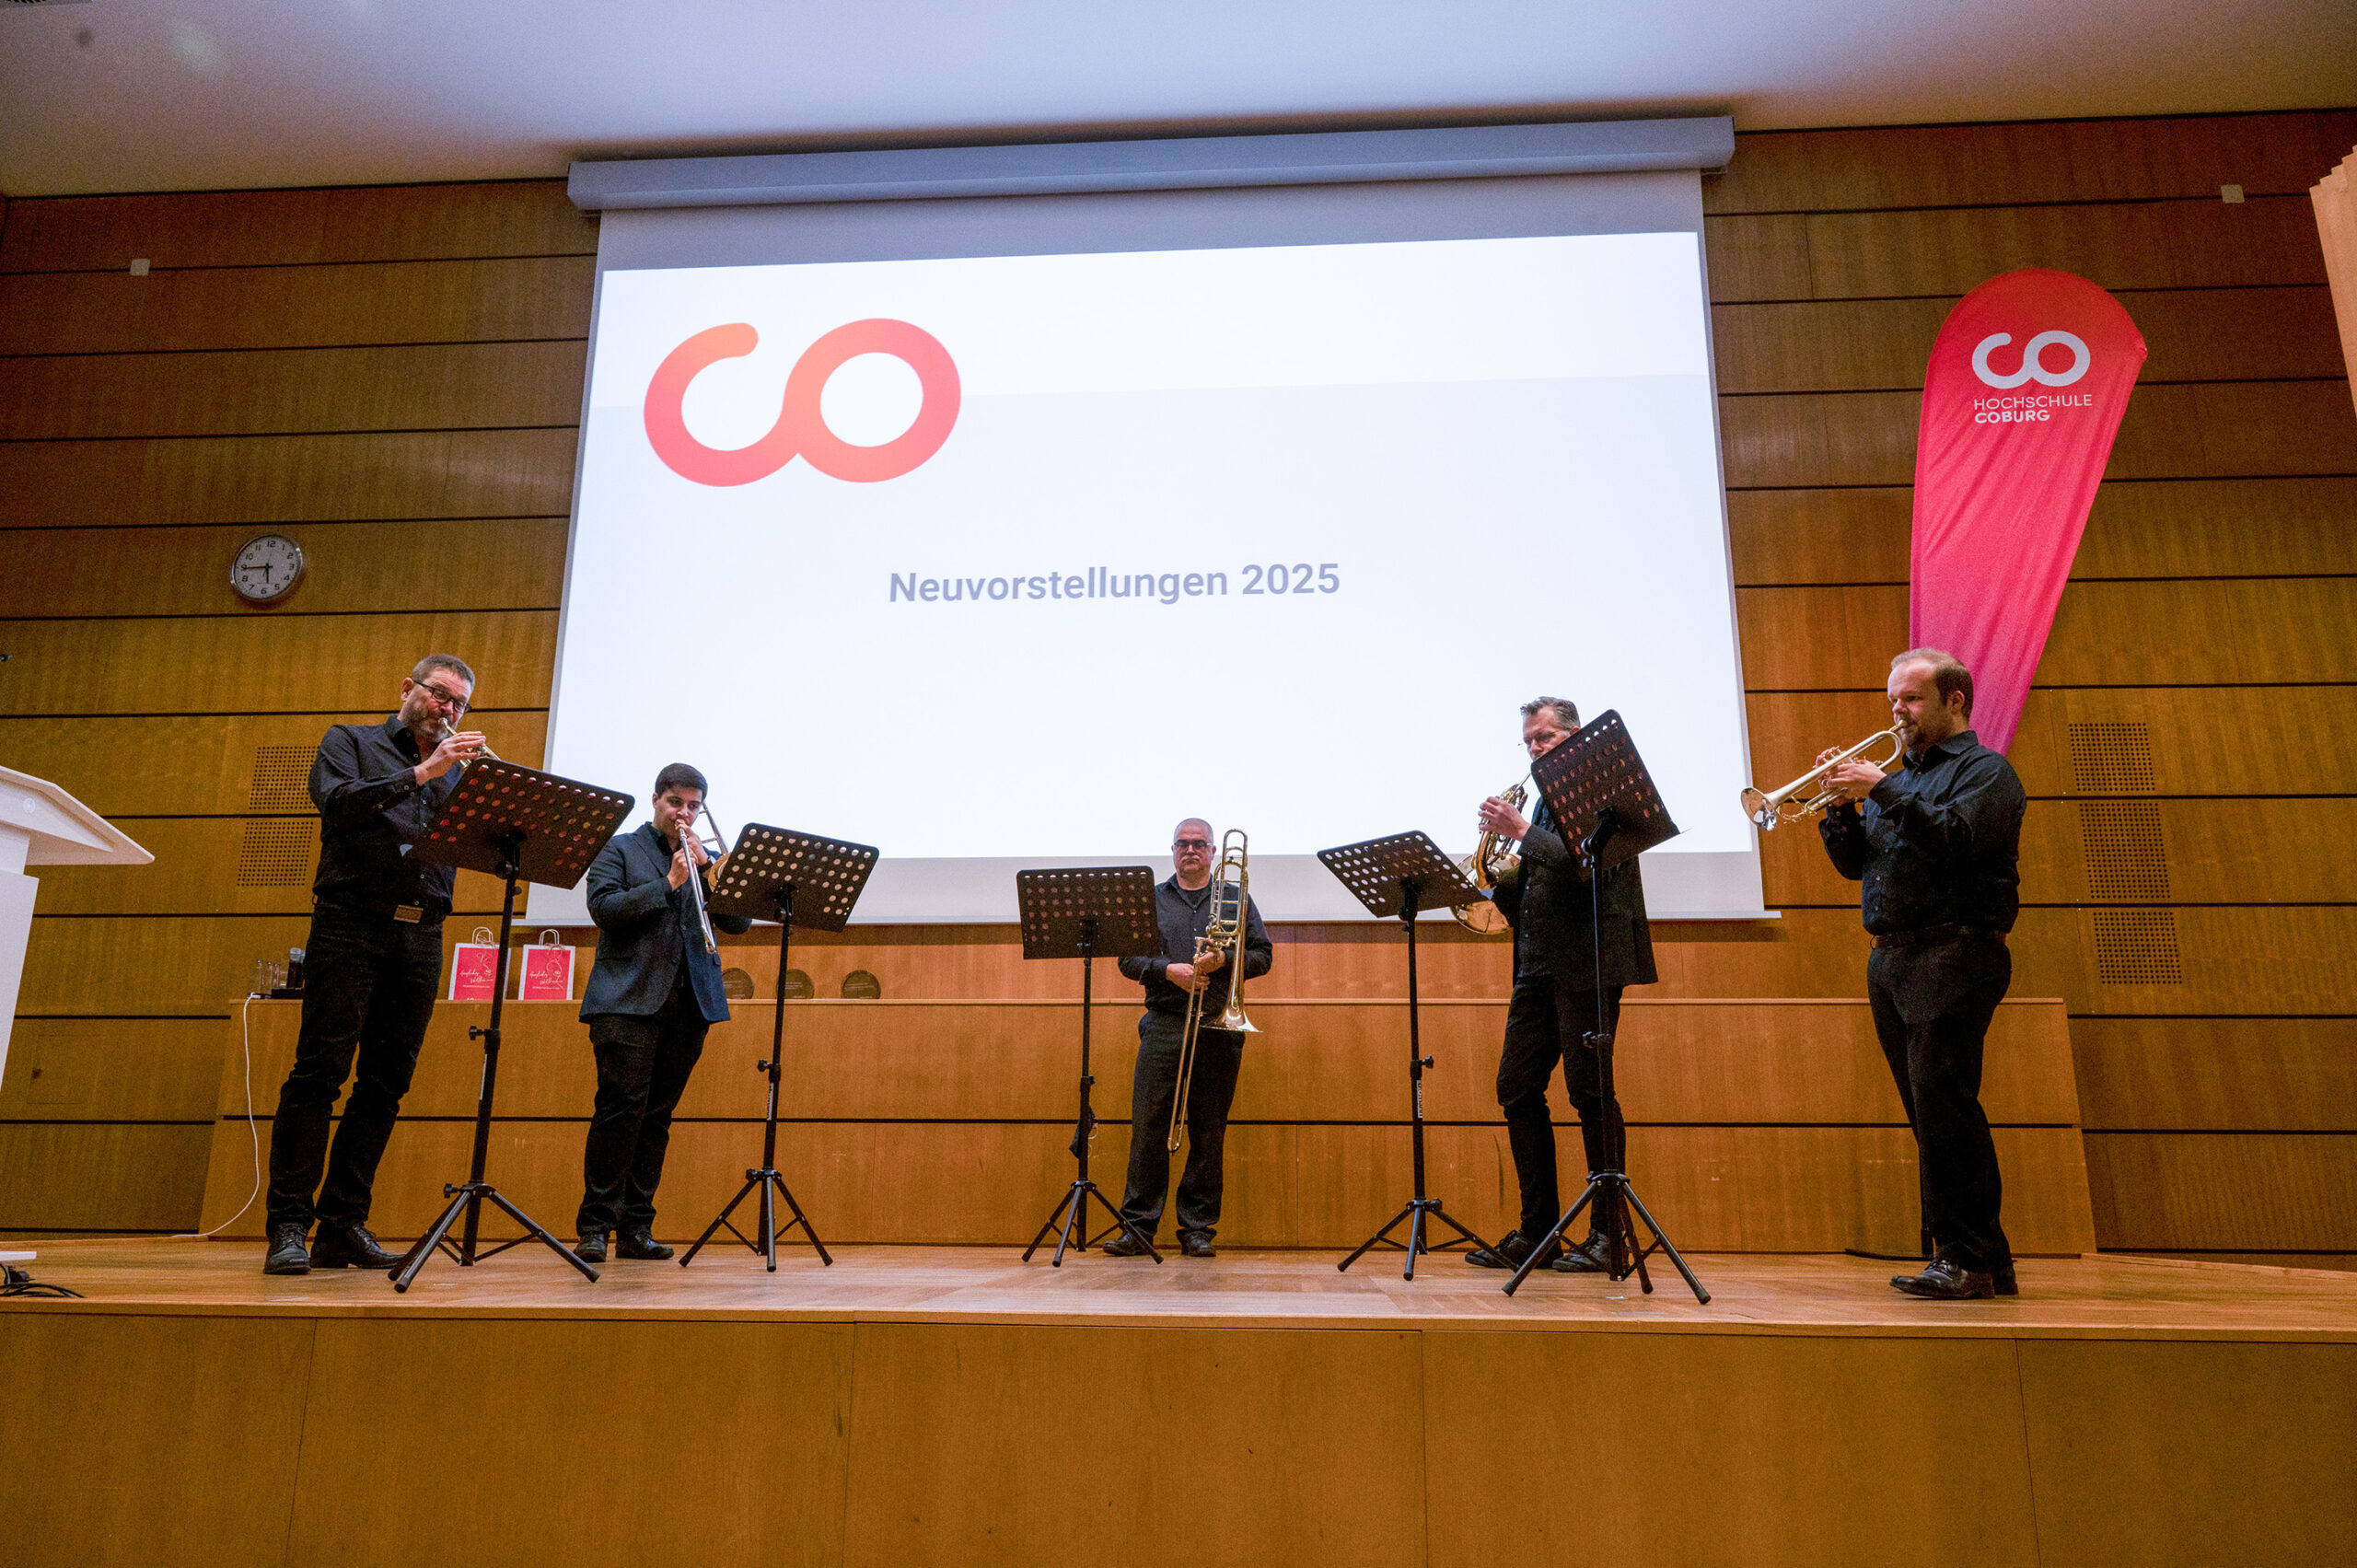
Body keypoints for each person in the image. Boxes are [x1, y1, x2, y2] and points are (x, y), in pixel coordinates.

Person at [263, 655, 488, 1275]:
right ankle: (288, 1224)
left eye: (459, 704)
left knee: (385, 1084)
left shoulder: (458, 775)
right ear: (407, 688)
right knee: (320, 1072)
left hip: (422, 936)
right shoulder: (350, 742)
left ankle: (340, 1226)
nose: (448, 708)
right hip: (351, 923)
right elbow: (336, 805)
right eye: (440, 694)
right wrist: (422, 772)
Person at [1818, 649, 2026, 1300]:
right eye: (1893, 700)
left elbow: (1958, 836)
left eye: (1909, 699)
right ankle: (1983, 1257)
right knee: (1928, 1111)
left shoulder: (1986, 771)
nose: (1896, 712)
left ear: (1954, 701)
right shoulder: (1899, 776)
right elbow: (1857, 865)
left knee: (1945, 1107)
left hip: (1955, 949)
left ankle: (1963, 1254)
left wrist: (1880, 788)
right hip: (1894, 956)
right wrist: (1838, 810)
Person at [1466, 696, 1658, 1274]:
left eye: (1545, 737)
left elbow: (1588, 867)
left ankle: (1608, 1233)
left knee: (1589, 1091)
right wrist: (1492, 880)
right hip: (1536, 962)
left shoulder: (1603, 789)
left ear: (1575, 737)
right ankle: (1539, 1230)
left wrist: (1521, 831)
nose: (1535, 748)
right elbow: (1537, 890)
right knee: (1515, 1087)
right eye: (1528, 741)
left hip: (1588, 961)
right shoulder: (1544, 800)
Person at [573, 764, 752, 1262]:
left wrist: (708, 872)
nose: (685, 814)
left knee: (657, 1118)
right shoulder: (620, 849)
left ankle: (636, 1229)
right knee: (619, 1112)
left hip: (689, 1004)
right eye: (676, 803)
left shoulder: (706, 859)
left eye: (694, 806)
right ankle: (594, 1227)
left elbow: (738, 921)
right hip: (627, 1000)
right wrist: (671, 882)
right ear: (655, 800)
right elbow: (604, 908)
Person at [1103, 819, 1273, 1259]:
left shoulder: (1235, 897)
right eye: (1183, 844)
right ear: (1173, 850)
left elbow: (1262, 956)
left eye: (1199, 844)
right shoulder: (1152, 900)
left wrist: (1224, 960)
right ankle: (1138, 1227)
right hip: (1164, 1022)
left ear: (1214, 851)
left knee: (1207, 1132)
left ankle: (1198, 1229)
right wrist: (1168, 970)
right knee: (1148, 1129)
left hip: (1218, 1023)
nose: (1191, 850)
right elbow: (1127, 959)